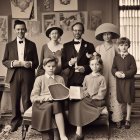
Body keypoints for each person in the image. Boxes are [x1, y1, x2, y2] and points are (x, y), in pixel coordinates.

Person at [2, 20, 39, 132]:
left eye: (22, 29)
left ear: (25, 29)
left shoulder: (32, 44)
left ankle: (27, 123)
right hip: (14, 74)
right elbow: (4, 61)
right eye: (18, 29)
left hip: (28, 74)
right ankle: (15, 122)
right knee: (15, 100)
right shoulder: (9, 45)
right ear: (15, 30)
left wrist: (30, 64)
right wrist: (13, 63)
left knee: (27, 99)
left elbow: (36, 62)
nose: (20, 31)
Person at [69, 52, 106, 140]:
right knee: (75, 103)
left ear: (100, 66)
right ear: (89, 66)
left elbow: (102, 92)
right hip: (88, 99)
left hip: (97, 100)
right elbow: (84, 89)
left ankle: (79, 132)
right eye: (92, 64)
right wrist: (84, 94)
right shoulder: (87, 77)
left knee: (81, 103)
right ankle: (79, 129)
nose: (95, 66)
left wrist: (92, 97)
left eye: (97, 64)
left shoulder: (102, 78)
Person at [30, 56, 68, 140]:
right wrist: (47, 97)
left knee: (56, 104)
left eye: (53, 66)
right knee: (54, 105)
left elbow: (64, 94)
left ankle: (61, 135)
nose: (51, 68)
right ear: (44, 67)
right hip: (42, 104)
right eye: (48, 66)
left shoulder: (60, 78)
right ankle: (59, 134)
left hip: (56, 103)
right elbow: (33, 97)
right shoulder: (39, 79)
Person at [95, 23, 123, 128]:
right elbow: (95, 61)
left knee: (115, 94)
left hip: (113, 73)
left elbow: (121, 60)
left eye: (108, 34)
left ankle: (117, 118)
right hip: (102, 74)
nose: (107, 36)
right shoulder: (98, 48)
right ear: (102, 36)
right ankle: (103, 118)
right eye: (104, 34)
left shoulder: (116, 47)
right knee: (103, 93)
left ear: (111, 35)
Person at [112, 37, 137, 129]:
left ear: (128, 46)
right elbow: (113, 68)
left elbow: (134, 69)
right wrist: (116, 73)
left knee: (128, 100)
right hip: (120, 82)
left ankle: (128, 119)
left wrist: (125, 74)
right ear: (118, 46)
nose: (123, 47)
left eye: (126, 45)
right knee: (121, 100)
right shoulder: (116, 58)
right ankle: (120, 118)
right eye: (121, 45)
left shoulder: (131, 58)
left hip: (129, 82)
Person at [61, 22, 95, 87]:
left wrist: (85, 68)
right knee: (72, 97)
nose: (77, 32)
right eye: (75, 30)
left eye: (79, 30)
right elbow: (63, 65)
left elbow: (94, 63)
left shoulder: (90, 46)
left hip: (85, 77)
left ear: (83, 31)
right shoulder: (66, 46)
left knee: (85, 96)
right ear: (72, 31)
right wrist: (70, 63)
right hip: (70, 78)